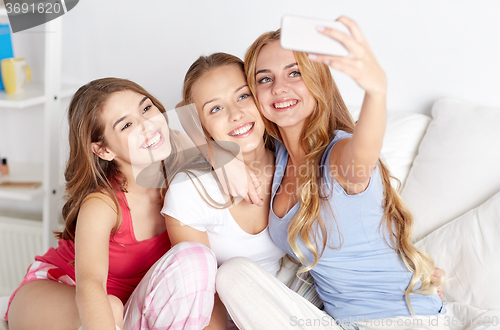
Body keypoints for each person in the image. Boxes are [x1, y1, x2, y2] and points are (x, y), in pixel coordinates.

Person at [216, 16, 448, 330]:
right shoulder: (276, 156)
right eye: (264, 79)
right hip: (340, 322)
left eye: (294, 73)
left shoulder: (339, 156)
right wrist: (218, 156)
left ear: (318, 81)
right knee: (233, 274)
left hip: (399, 320)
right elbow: (179, 128)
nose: (279, 88)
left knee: (233, 273)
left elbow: (364, 150)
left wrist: (376, 92)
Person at [5, 78, 218, 330]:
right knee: (111, 308)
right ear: (103, 150)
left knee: (201, 265)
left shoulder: (177, 152)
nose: (147, 126)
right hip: (60, 290)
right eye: (127, 124)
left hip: (130, 305)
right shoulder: (102, 204)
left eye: (147, 108)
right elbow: (90, 286)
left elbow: (197, 114)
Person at [163, 53, 287, 329]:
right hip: (221, 322)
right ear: (201, 124)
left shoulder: (291, 162)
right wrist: (220, 156)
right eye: (215, 109)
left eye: (243, 96)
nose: (236, 114)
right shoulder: (189, 190)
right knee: (230, 274)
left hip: (284, 310)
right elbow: (201, 296)